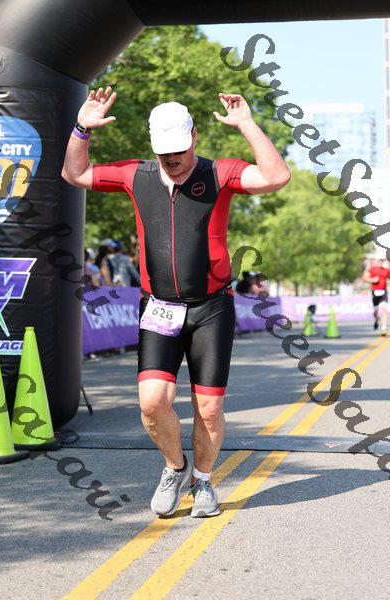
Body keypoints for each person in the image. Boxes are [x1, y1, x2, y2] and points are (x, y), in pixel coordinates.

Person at [61, 86, 290, 517]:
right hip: (159, 306)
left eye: (180, 150)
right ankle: (174, 467)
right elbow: (75, 174)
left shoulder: (220, 173)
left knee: (209, 407)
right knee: (152, 402)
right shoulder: (136, 174)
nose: (172, 159)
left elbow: (276, 177)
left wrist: (247, 124)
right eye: (165, 151)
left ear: (194, 138)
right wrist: (81, 129)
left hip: (211, 307)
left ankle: (203, 481)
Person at [362, 257, 390, 335]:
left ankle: (383, 329)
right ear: (376, 261)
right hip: (375, 292)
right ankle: (376, 319)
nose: (380, 262)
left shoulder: (386, 270)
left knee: (384, 310)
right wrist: (372, 280)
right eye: (379, 261)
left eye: (382, 261)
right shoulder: (372, 269)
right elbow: (364, 278)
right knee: (375, 311)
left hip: (383, 292)